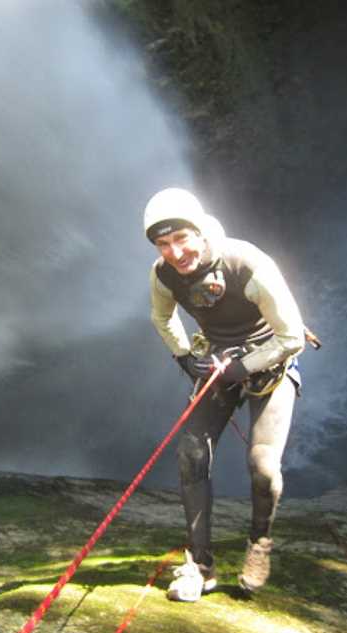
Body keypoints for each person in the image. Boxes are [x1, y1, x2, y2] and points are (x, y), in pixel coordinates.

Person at [144, 187, 306, 602]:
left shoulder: (245, 264)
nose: (175, 252)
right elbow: (161, 316)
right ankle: (199, 564)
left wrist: (241, 368)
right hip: (218, 364)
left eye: (181, 239)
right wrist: (184, 357)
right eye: (164, 244)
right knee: (190, 452)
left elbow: (291, 336)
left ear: (199, 232)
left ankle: (259, 542)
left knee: (263, 464)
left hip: (270, 364)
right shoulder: (163, 274)